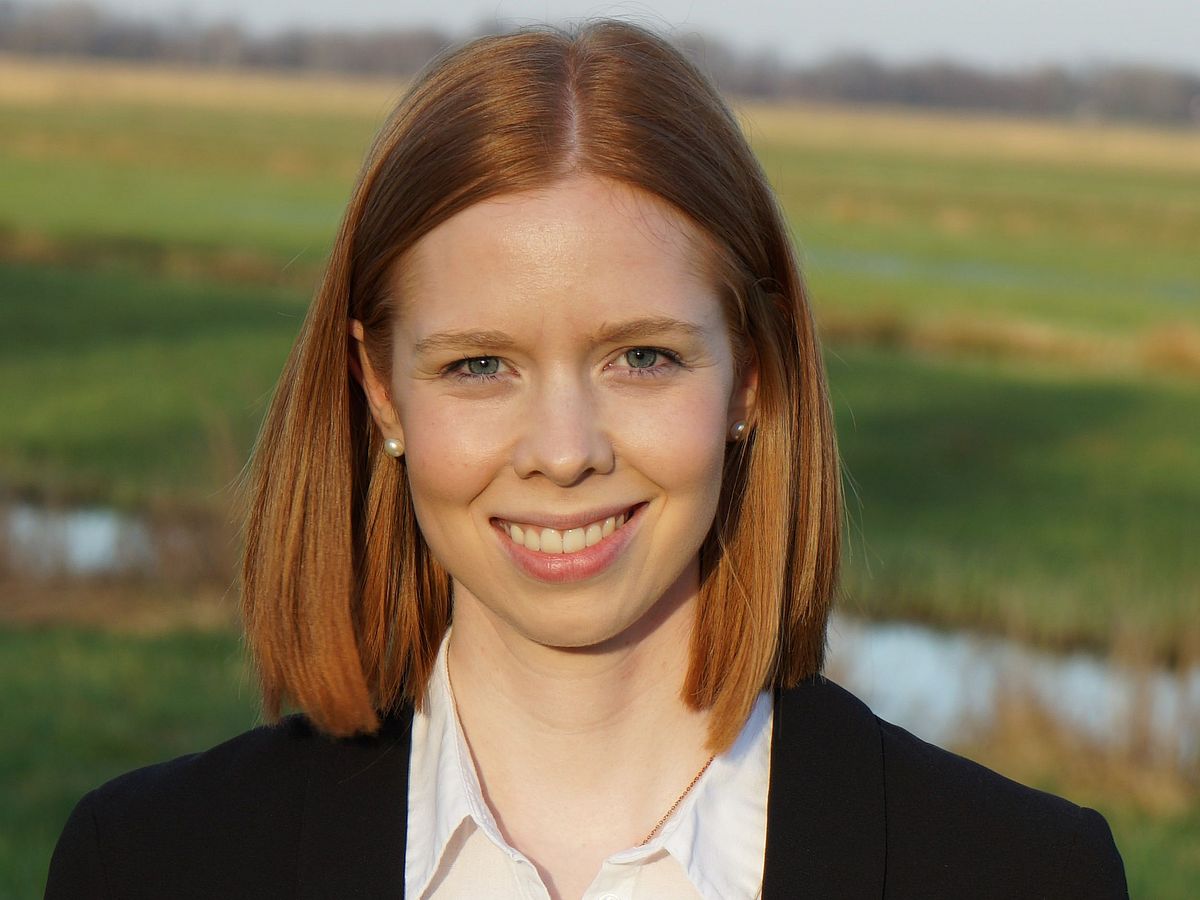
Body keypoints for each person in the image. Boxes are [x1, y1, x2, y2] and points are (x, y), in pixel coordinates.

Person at [46, 20, 1127, 900]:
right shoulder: (151, 864)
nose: (563, 453)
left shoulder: (1022, 876)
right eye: (479, 366)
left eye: (642, 358)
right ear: (380, 390)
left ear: (751, 376)